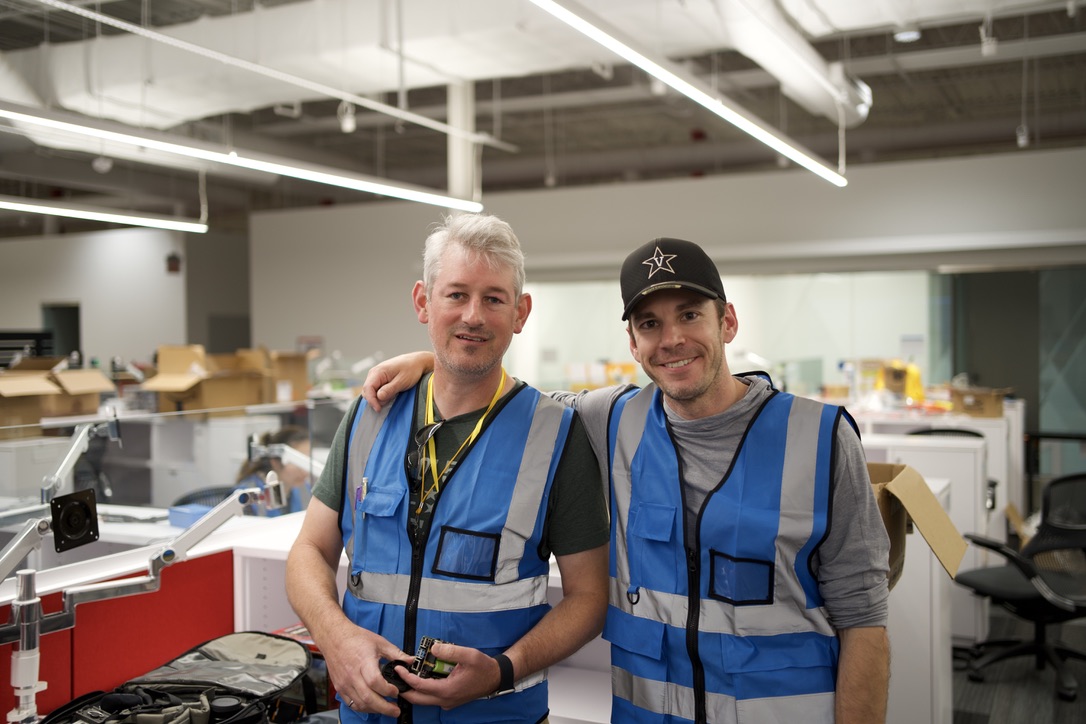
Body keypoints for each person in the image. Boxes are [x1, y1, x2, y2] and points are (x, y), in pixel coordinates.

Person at [362, 237, 892, 723]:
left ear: (727, 321)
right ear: (633, 344)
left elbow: (863, 617)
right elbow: (507, 395)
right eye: (650, 324)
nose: (673, 339)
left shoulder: (820, 438)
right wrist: (436, 360)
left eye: (690, 315)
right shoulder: (610, 419)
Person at [285, 213, 609, 724]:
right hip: (371, 714)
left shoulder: (557, 435)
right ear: (423, 302)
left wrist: (505, 669)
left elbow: (590, 597)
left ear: (520, 312)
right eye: (456, 294)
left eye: (494, 298)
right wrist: (337, 637)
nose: (473, 316)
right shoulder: (371, 416)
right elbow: (309, 549)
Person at [235, 426, 312, 516]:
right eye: (297, 462)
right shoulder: (247, 495)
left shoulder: (304, 489)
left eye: (307, 461)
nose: (305, 471)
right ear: (275, 462)